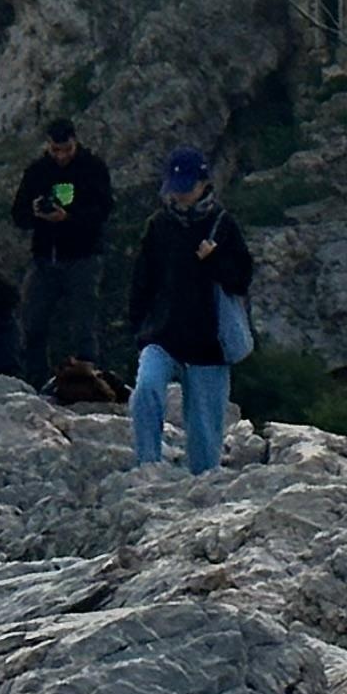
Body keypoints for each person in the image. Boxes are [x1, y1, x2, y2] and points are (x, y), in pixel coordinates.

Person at [123, 146, 256, 474]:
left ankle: (201, 492)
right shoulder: (160, 225)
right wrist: (138, 327)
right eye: (175, 190)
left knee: (205, 444)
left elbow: (241, 280)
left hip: (208, 347)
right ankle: (148, 467)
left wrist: (214, 261)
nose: (180, 197)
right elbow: (144, 278)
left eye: (186, 189)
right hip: (163, 336)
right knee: (145, 392)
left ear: (203, 183)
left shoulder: (224, 225)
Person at [8, 117, 115, 383]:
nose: (61, 156)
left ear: (74, 142)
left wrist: (68, 217)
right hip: (45, 257)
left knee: (83, 324)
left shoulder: (92, 168)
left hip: (83, 256)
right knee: (32, 322)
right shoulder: (37, 172)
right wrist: (35, 213)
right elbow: (18, 215)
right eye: (56, 150)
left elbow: (103, 211)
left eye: (66, 150)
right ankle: (35, 380)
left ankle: (89, 382)